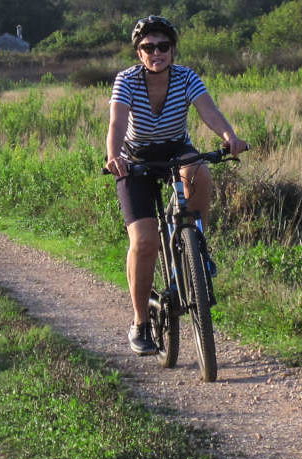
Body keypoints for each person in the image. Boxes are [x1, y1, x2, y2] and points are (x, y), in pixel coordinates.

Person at [105, 16, 249, 355]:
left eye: (163, 46)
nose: (156, 53)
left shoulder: (186, 77)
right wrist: (114, 156)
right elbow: (117, 121)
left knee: (200, 171)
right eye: (148, 48)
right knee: (144, 241)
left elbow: (208, 111)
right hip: (135, 158)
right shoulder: (126, 80)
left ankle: (196, 244)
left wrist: (229, 136)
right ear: (138, 53)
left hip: (174, 148)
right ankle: (140, 322)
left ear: (173, 49)